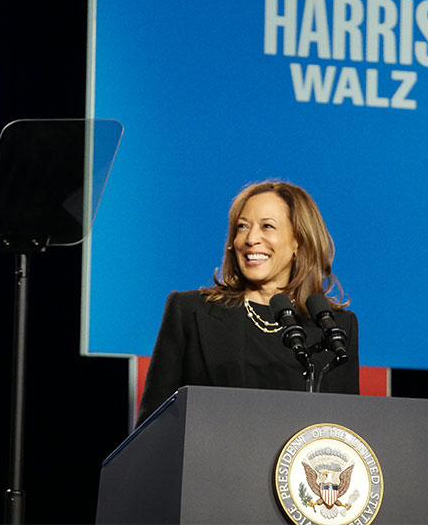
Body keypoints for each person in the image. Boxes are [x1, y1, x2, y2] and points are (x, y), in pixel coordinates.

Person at [135, 180, 359, 427]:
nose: (251, 238)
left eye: (267, 226)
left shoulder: (334, 328)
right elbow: (151, 429)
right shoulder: (190, 311)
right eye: (242, 227)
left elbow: (346, 434)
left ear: (298, 241)